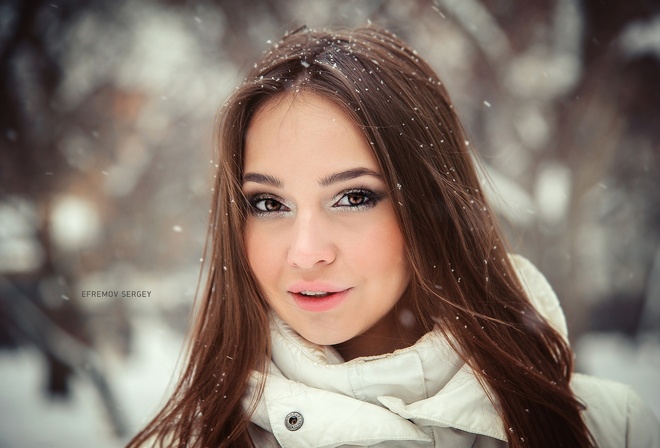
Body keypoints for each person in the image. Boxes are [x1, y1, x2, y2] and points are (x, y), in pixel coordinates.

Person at [127, 25, 659, 447]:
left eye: (354, 196)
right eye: (269, 204)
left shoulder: (614, 430)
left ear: (431, 207)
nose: (306, 252)